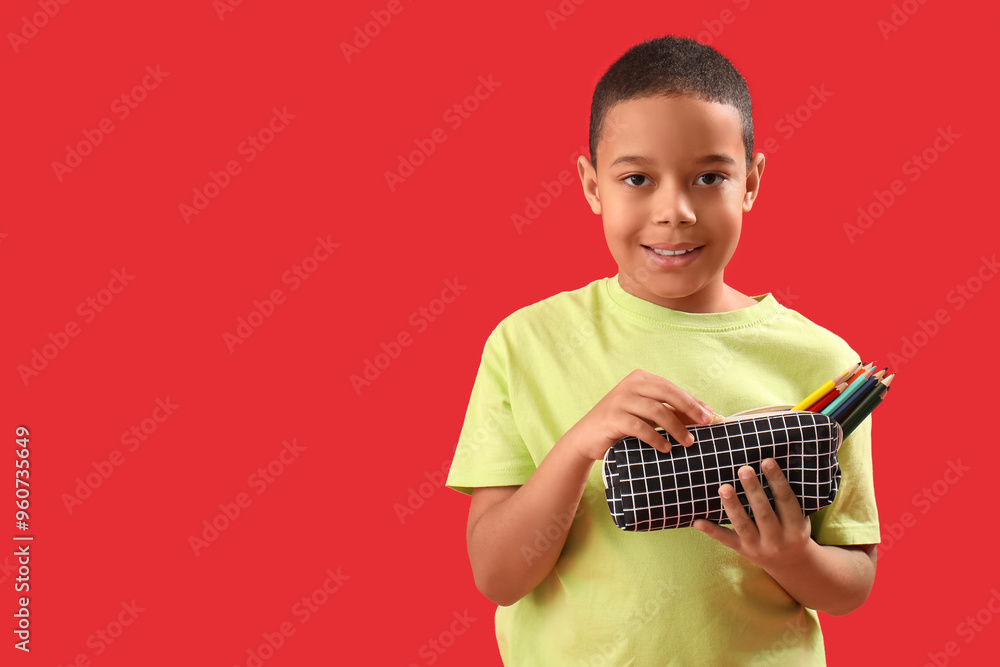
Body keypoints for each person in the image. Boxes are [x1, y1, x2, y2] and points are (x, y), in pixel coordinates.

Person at [445, 35, 879, 666]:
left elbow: (853, 584)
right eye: (637, 179)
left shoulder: (823, 360)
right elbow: (497, 576)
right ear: (592, 185)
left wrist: (793, 557)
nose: (673, 211)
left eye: (710, 177)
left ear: (751, 182)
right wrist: (581, 444)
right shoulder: (525, 344)